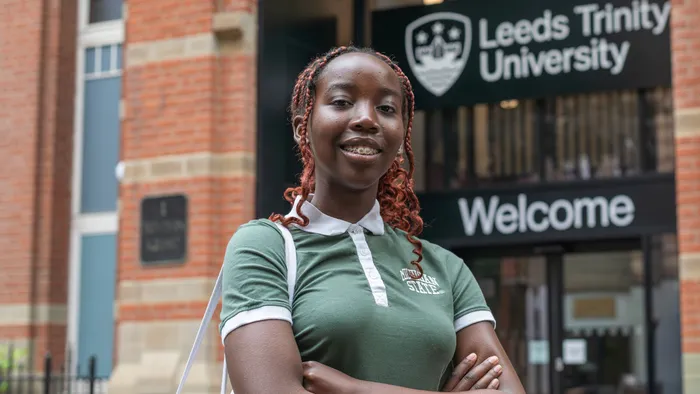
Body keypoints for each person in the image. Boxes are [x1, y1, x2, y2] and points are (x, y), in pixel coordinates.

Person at [219, 46, 526, 394]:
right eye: (341, 102)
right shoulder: (266, 248)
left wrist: (350, 389)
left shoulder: (445, 269)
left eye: (386, 108)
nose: (367, 118)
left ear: (402, 136)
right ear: (301, 126)